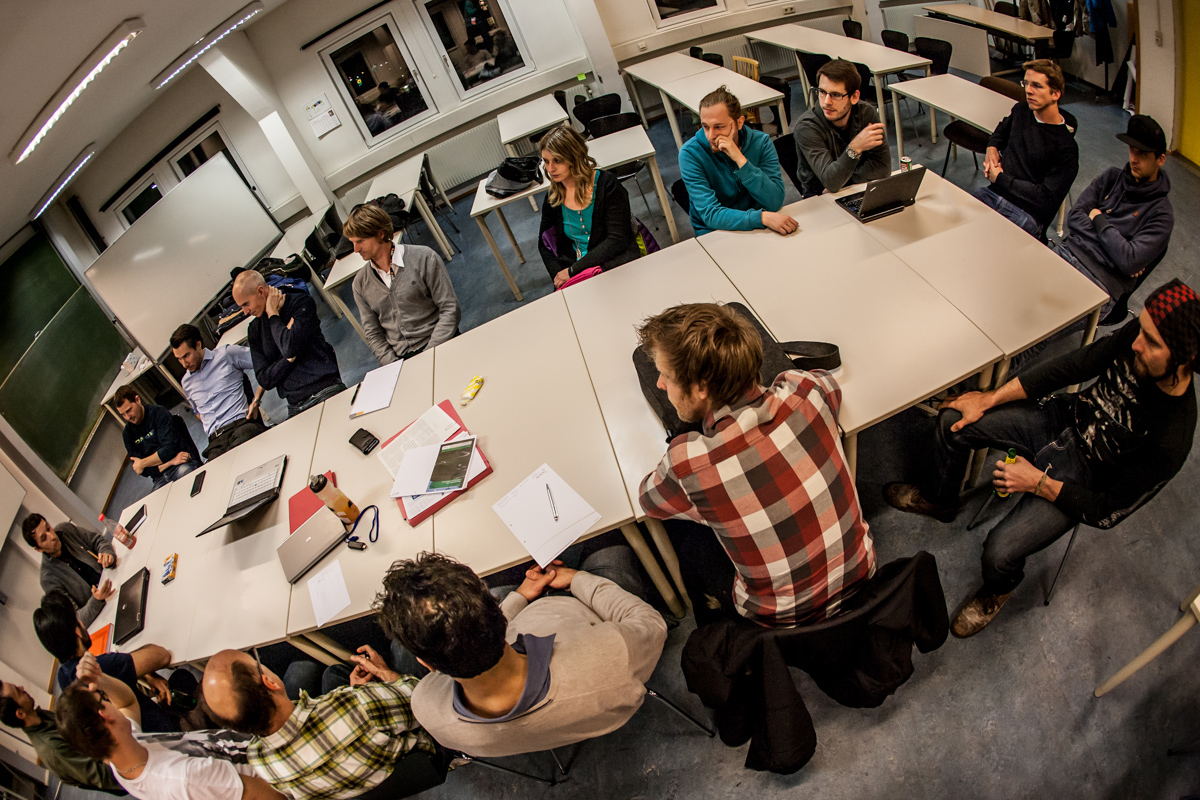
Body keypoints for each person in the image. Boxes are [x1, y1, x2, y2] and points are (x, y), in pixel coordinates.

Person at [884, 279, 1200, 637]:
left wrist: (1038, 483)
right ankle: (940, 500)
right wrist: (989, 398)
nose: (1137, 343)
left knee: (999, 553)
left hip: (1086, 478)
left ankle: (998, 590)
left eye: (1152, 343)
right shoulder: (1137, 338)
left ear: (1184, 359)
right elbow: (1074, 365)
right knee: (953, 420)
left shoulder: (1172, 440)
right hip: (1062, 419)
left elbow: (1107, 511)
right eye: (1140, 329)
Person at [636, 304, 874, 627]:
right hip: (863, 577)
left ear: (702, 387)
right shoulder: (806, 391)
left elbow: (649, 501)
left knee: (686, 537)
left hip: (780, 621)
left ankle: (712, 621)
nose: (660, 384)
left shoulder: (688, 462)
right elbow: (827, 384)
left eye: (666, 375)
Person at [374, 548, 667, 757]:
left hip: (542, 721)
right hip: (585, 613)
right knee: (606, 551)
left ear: (426, 664)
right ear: (497, 611)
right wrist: (576, 579)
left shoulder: (426, 707)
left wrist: (519, 597)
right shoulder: (610, 656)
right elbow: (650, 624)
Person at [200, 647, 435, 800]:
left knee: (334, 673)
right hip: (424, 757)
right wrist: (384, 673)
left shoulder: (261, 760)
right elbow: (421, 699)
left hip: (369, 784)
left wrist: (356, 692)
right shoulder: (356, 706)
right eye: (257, 661)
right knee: (403, 645)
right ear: (270, 682)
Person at [55, 653, 282, 800]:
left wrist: (101, 679)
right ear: (104, 715)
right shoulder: (185, 778)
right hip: (275, 770)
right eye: (104, 699)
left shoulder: (122, 754)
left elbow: (127, 703)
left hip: (248, 747)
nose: (110, 701)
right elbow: (269, 796)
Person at [1053, 114, 1174, 315]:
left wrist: (1098, 218)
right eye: (1132, 150)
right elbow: (1074, 217)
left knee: (1040, 327)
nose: (1134, 159)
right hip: (1067, 252)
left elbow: (1129, 261)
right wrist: (1117, 248)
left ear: (1160, 159)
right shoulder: (1111, 177)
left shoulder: (1162, 215)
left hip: (1100, 282)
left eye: (1143, 154)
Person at [33, 591, 180, 733]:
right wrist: (135, 665)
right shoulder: (102, 667)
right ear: (77, 632)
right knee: (182, 677)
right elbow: (162, 656)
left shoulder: (64, 676)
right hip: (162, 732)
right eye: (78, 620)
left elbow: (122, 668)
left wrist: (147, 674)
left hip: (128, 733)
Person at [343, 204, 461, 364]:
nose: (356, 249)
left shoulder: (424, 258)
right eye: (352, 242)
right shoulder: (360, 284)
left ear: (380, 234)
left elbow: (450, 309)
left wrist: (430, 355)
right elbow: (373, 334)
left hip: (440, 344)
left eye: (360, 241)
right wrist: (394, 365)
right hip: (401, 360)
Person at [974, 59, 1079, 238]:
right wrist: (992, 147)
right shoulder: (1021, 110)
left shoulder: (1066, 148)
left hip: (1027, 214)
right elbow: (1000, 131)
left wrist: (1000, 178)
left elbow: (1045, 199)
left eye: (1037, 86)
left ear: (1055, 94)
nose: (1028, 90)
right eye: (1026, 83)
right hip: (994, 194)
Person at [677, 86, 796, 237]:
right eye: (705, 127)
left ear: (739, 123)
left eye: (719, 127)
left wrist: (740, 160)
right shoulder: (690, 153)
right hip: (716, 232)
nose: (711, 135)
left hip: (760, 228)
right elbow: (710, 214)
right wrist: (760, 217)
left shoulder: (761, 142)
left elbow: (774, 201)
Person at [537, 124, 641, 288]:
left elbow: (617, 240)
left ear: (574, 157)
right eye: (546, 161)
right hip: (574, 272)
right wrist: (559, 278)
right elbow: (544, 245)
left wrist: (572, 271)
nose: (550, 169)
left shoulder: (607, 185)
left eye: (557, 160)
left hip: (614, 263)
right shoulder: (553, 197)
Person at [231, 271, 345, 417]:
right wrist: (287, 359)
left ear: (260, 291)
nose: (245, 312)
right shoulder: (254, 330)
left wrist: (273, 314)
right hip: (294, 405)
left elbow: (289, 348)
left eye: (246, 304)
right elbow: (264, 379)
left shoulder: (300, 303)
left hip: (325, 389)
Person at [0, 676, 124, 793]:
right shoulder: (52, 749)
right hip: (121, 768)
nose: (22, 688)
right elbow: (106, 778)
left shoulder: (40, 717)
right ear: (20, 714)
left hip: (109, 745)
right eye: (18, 692)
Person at [792, 58, 891, 197]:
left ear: (854, 97)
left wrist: (842, 182)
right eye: (822, 92)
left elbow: (883, 168)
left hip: (858, 187)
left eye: (835, 95)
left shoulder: (866, 113)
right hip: (820, 195)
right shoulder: (807, 126)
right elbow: (831, 181)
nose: (826, 102)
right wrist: (854, 148)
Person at [169, 324, 268, 461]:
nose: (184, 364)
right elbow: (197, 411)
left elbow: (265, 363)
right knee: (216, 469)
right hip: (216, 441)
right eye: (179, 359)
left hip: (240, 425)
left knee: (241, 457)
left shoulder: (226, 355)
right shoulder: (186, 382)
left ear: (198, 345)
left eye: (186, 356)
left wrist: (256, 400)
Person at [21, 513, 115, 626]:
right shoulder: (48, 578)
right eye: (44, 538)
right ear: (38, 549)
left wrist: (107, 554)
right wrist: (97, 600)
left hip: (113, 576)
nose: (52, 536)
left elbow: (97, 541)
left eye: (48, 528)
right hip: (102, 612)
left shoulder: (65, 529)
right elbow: (76, 619)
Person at [114, 385, 200, 490]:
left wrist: (143, 463)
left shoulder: (158, 413)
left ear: (137, 400)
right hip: (160, 476)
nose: (128, 417)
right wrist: (171, 461)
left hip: (180, 464)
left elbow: (170, 449)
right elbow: (142, 471)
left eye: (129, 410)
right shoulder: (127, 434)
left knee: (190, 484)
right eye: (123, 414)